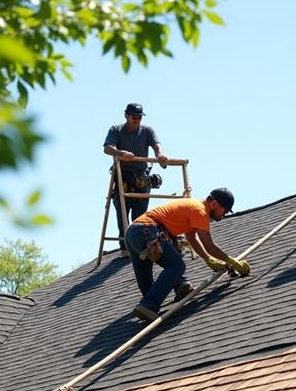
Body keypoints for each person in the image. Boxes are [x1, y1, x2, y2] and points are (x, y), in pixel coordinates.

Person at [125, 188, 251, 322]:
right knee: (176, 266)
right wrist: (232, 261)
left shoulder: (193, 207)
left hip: (133, 233)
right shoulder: (200, 211)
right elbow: (209, 245)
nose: (223, 215)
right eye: (224, 211)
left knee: (150, 288)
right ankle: (149, 304)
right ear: (214, 204)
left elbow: (192, 238)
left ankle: (176, 289)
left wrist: (208, 259)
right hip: (147, 230)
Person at [103, 102, 169, 257]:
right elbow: (107, 148)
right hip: (122, 177)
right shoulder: (116, 130)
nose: (137, 120)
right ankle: (125, 247)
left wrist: (160, 154)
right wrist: (119, 152)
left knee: (140, 217)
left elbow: (156, 144)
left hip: (141, 177)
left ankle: (139, 246)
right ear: (126, 115)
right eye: (134, 117)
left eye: (139, 117)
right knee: (123, 214)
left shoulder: (147, 130)